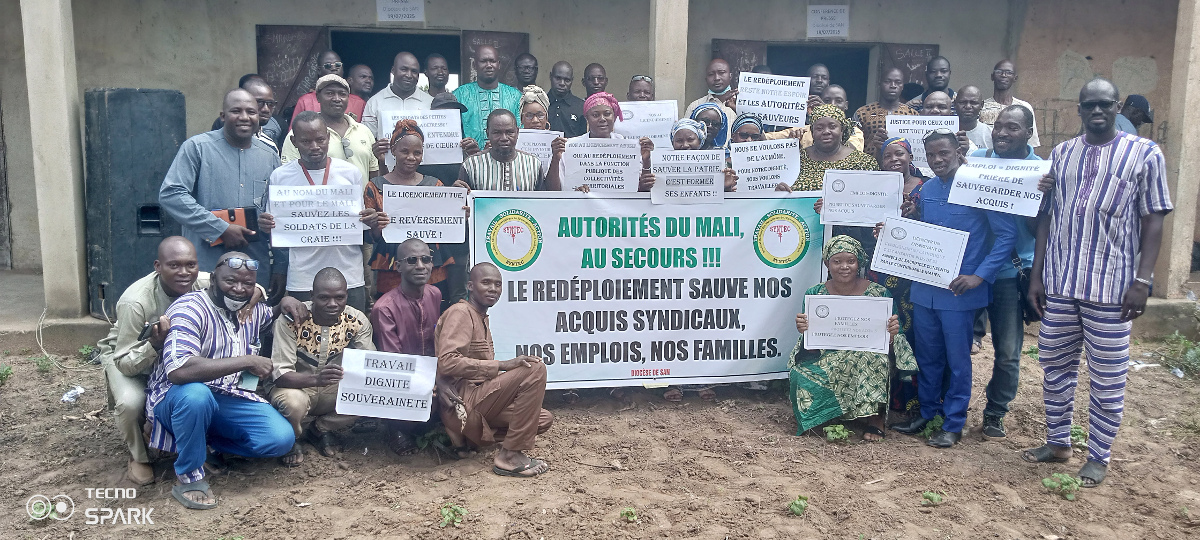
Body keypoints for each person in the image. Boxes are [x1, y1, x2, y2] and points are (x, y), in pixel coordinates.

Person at [1022, 78, 1172, 487]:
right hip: (1061, 282)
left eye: (1106, 104)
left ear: (1118, 106)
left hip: (1112, 288)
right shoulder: (1063, 154)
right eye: (1090, 105)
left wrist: (1143, 279)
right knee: (1055, 367)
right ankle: (1058, 443)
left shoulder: (1144, 153)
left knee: (1107, 377)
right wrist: (1037, 276)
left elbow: (1154, 219)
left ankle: (1099, 456)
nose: (1098, 111)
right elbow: (1047, 217)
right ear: (1079, 109)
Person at [96, 237, 265, 486]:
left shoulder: (201, 280)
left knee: (200, 388)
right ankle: (140, 456)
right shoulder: (136, 302)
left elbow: (244, 281)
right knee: (132, 402)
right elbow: (125, 361)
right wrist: (154, 345)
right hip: (133, 353)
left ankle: (193, 441)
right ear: (158, 266)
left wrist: (256, 293)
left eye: (190, 265)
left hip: (177, 353)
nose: (184, 273)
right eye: (174, 265)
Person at [145, 251, 306, 509]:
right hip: (178, 396)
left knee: (280, 439)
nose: (239, 289)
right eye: (230, 281)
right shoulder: (189, 309)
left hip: (228, 395)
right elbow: (179, 371)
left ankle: (205, 445)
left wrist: (284, 302)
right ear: (213, 280)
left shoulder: (248, 309)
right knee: (196, 395)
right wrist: (246, 361)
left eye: (247, 284)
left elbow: (269, 316)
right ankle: (189, 476)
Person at [887, 129, 1016, 449]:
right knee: (927, 357)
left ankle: (954, 422)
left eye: (943, 153)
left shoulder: (979, 187)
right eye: (931, 155)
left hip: (960, 291)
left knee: (957, 361)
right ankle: (928, 413)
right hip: (925, 287)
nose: (937, 160)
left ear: (959, 152)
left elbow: (1006, 236)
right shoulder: (927, 189)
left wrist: (979, 276)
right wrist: (903, 223)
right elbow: (922, 233)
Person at [789, 236, 913, 441]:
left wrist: (892, 335)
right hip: (828, 356)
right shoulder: (815, 294)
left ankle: (875, 420)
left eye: (851, 261)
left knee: (872, 360)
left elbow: (891, 346)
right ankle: (824, 415)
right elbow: (811, 349)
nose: (844, 267)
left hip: (869, 355)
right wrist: (805, 331)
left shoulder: (879, 293)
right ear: (827, 264)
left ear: (859, 263)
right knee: (800, 372)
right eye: (837, 261)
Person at [435, 262, 554, 476]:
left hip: (478, 402)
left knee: (543, 419)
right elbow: (447, 361)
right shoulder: (461, 312)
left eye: (498, 284)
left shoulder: (480, 316)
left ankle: (471, 440)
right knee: (535, 368)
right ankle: (509, 456)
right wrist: (502, 366)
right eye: (486, 283)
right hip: (461, 403)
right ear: (470, 286)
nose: (493, 289)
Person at [967, 104, 1039, 440]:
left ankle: (995, 413)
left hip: (1009, 274)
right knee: (954, 343)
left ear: (1028, 133)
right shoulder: (977, 161)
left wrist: (1041, 197)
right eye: (998, 126)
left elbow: (1041, 231)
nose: (1002, 133)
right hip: (969, 272)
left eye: (1012, 127)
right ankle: (946, 407)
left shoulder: (1039, 172)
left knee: (1008, 353)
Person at [261, 111, 379, 313]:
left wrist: (370, 221)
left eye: (320, 140)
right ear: (294, 141)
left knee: (352, 331)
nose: (314, 146)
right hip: (303, 279)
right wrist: (266, 226)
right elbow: (276, 234)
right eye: (306, 141)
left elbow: (362, 230)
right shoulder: (280, 176)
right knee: (304, 332)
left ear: (329, 138)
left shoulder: (350, 173)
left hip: (349, 275)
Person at [160, 88, 279, 286]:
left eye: (251, 112)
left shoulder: (270, 157)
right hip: (206, 263)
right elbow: (171, 194)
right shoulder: (197, 148)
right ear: (223, 116)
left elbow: (277, 211)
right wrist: (220, 228)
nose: (244, 117)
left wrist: (269, 224)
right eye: (236, 111)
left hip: (253, 267)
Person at [269, 268, 373, 465]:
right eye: (324, 297)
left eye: (339, 297)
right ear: (312, 296)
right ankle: (291, 437)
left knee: (373, 392)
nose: (332, 304)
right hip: (296, 387)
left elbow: (370, 364)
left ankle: (320, 429)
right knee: (293, 402)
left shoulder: (356, 320)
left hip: (331, 387)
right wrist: (316, 379)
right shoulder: (292, 318)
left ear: (347, 295)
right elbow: (281, 375)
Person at [365, 119, 468, 302]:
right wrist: (374, 225)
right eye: (404, 151)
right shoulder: (375, 187)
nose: (411, 157)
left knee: (432, 312)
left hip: (432, 268)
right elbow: (370, 237)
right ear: (393, 151)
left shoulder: (435, 185)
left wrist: (459, 214)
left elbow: (445, 226)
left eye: (417, 153)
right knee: (393, 313)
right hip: (392, 268)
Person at [369, 239, 443, 454]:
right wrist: (425, 382)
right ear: (398, 266)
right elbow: (393, 361)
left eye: (425, 259)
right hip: (400, 379)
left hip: (433, 374)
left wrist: (439, 378)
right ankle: (395, 429)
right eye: (412, 260)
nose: (420, 266)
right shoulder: (384, 308)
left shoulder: (435, 294)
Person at [872, 137, 926, 412]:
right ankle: (889, 398)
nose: (894, 160)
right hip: (884, 270)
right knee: (887, 329)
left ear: (910, 157)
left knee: (915, 331)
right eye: (888, 155)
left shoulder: (926, 187)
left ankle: (916, 399)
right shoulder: (874, 188)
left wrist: (916, 215)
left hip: (916, 271)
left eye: (899, 154)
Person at [282, 75, 382, 185]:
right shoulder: (301, 133)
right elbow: (289, 174)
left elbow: (373, 172)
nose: (337, 99)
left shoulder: (364, 131)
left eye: (342, 94)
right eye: (330, 93)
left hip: (359, 196)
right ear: (318, 97)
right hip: (317, 196)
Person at [776, 104, 878, 192]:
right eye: (819, 128)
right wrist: (778, 193)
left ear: (842, 130)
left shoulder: (863, 163)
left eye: (832, 127)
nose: (826, 132)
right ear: (812, 132)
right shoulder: (797, 160)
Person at [460, 109, 555, 191]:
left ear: (517, 132)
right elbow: (462, 202)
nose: (504, 138)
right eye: (497, 132)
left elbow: (541, 202)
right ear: (488, 133)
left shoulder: (533, 164)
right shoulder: (471, 165)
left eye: (509, 132)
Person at [454, 45, 522, 145]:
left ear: (499, 64)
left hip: (508, 154)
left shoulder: (515, 96)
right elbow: (453, 132)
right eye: (483, 61)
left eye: (492, 61)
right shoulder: (459, 95)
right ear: (474, 65)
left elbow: (521, 131)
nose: (489, 65)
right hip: (470, 154)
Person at [362, 52, 433, 136]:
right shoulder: (374, 102)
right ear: (393, 70)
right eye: (404, 69)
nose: (409, 75)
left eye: (414, 71)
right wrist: (375, 144)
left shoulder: (430, 102)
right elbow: (366, 139)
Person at [853, 68, 919, 158]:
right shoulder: (862, 113)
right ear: (879, 84)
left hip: (901, 164)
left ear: (902, 86)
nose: (893, 86)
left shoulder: (912, 114)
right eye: (887, 81)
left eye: (898, 82)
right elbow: (853, 144)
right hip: (869, 164)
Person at [418, 92, 479, 185]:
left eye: (455, 112)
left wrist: (474, 156)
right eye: (445, 112)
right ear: (431, 114)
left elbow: (476, 179)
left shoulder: (465, 145)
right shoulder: (418, 142)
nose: (450, 116)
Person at [979, 60, 1041, 148]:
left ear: (1015, 78)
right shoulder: (981, 107)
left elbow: (1032, 143)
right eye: (999, 72)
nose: (1004, 75)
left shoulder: (1024, 107)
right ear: (992, 76)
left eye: (1009, 73)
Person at [291, 51, 366, 123]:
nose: (334, 68)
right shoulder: (305, 101)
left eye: (338, 65)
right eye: (328, 66)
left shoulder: (359, 103)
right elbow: (295, 130)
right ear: (319, 70)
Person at [211, 78, 284, 151]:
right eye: (259, 102)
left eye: (271, 104)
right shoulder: (208, 146)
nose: (266, 109)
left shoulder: (270, 148)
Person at [684, 59, 738, 141]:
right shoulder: (694, 106)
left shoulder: (741, 105)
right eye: (711, 74)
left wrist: (738, 109)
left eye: (721, 73)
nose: (716, 78)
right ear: (706, 79)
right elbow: (686, 135)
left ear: (730, 76)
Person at [519, 85, 562, 179]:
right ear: (521, 119)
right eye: (529, 115)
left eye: (540, 115)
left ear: (546, 118)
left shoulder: (557, 143)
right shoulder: (513, 142)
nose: (535, 120)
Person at [547, 61, 587, 137]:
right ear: (550, 76)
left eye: (567, 80)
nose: (562, 83)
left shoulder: (581, 107)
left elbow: (584, 138)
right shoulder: (540, 104)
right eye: (558, 78)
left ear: (572, 80)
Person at [956, 86, 990, 150]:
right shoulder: (946, 132)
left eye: (973, 103)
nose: (968, 106)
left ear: (981, 105)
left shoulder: (990, 134)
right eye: (963, 102)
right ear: (955, 104)